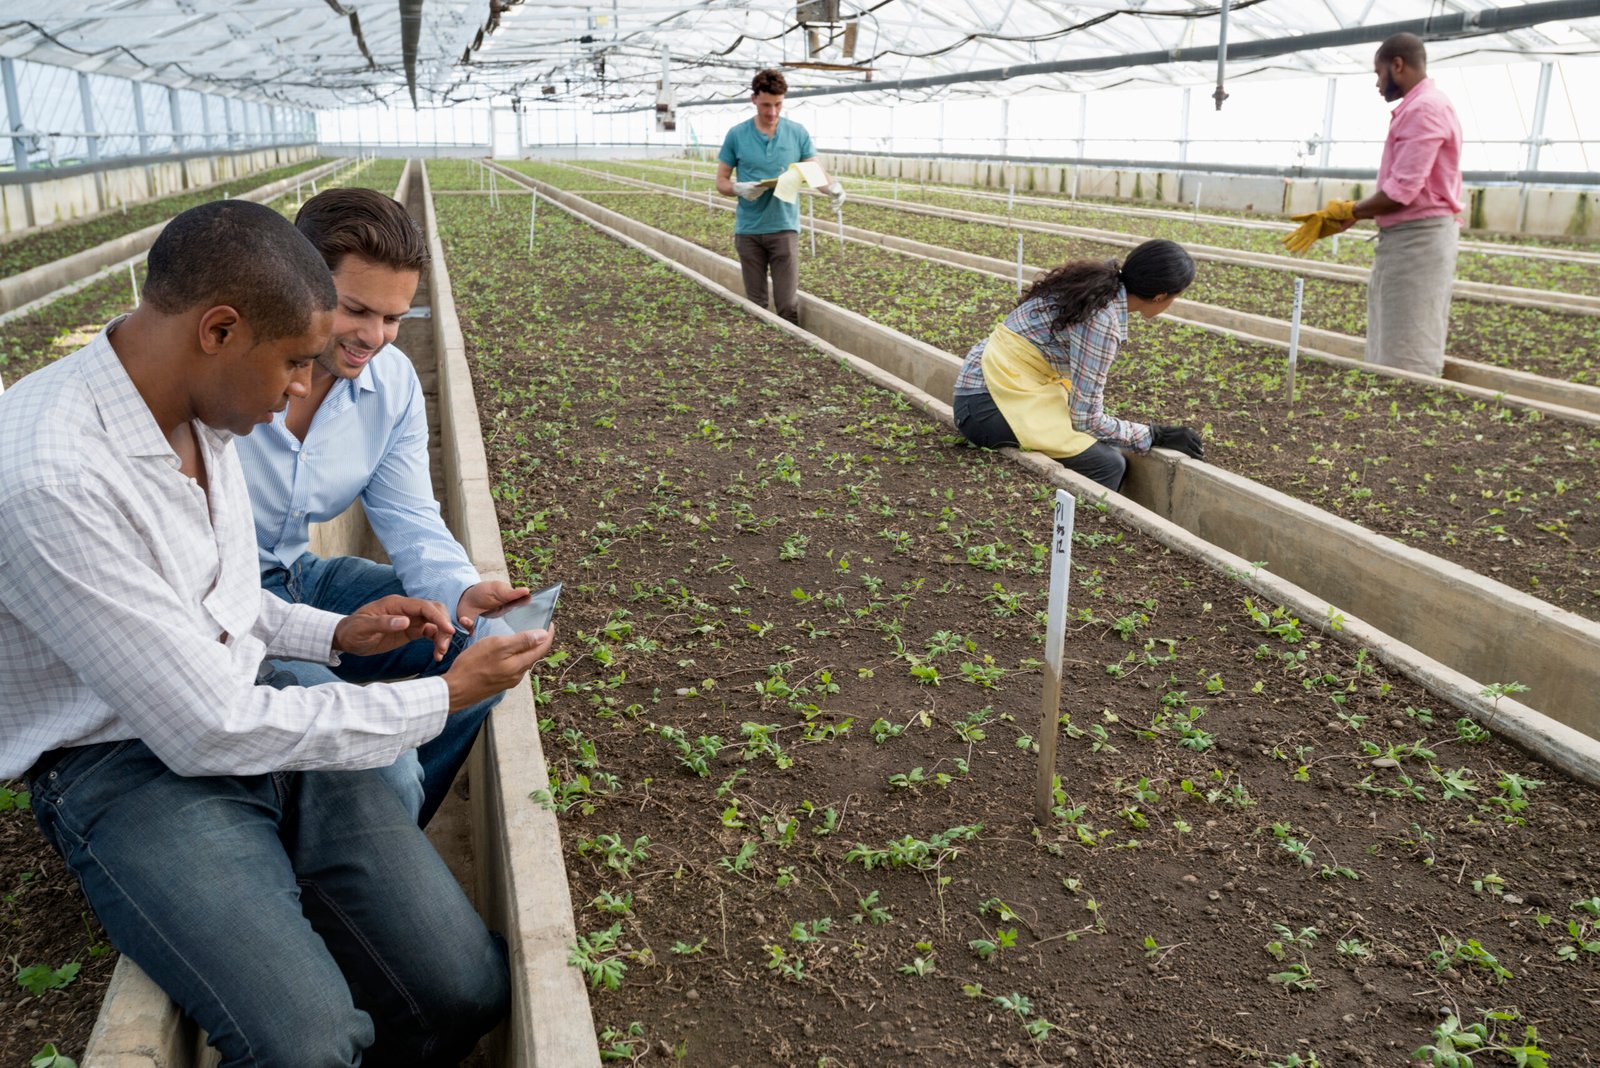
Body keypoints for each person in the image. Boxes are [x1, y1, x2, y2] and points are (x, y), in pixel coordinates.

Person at [0, 199, 551, 1066]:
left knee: (463, 989)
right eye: (297, 361)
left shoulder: (198, 403)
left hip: (256, 701)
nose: (306, 388)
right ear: (220, 329)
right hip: (126, 765)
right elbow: (207, 725)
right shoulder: (52, 478)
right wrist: (439, 695)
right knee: (308, 1044)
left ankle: (324, 924)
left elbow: (225, 599)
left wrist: (338, 638)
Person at [238, 186, 524, 827]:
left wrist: (460, 594)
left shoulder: (389, 382)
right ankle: (371, 831)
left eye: (394, 317)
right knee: (365, 750)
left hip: (302, 575)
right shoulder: (228, 377)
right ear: (297, 283)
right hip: (232, 601)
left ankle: (393, 835)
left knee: (481, 648)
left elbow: (410, 516)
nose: (375, 336)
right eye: (355, 309)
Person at [951, 238, 1204, 492]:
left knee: (1097, 441)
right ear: (1160, 297)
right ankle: (1080, 527)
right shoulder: (1102, 320)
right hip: (986, 405)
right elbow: (1086, 419)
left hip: (987, 384)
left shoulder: (1091, 285)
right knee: (1109, 464)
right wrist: (1154, 434)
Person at [1282, 32, 1462, 376]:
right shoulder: (1420, 107)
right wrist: (1352, 214)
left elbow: (1401, 192)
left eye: (1379, 73)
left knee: (1408, 343)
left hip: (1419, 240)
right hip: (1408, 237)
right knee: (1393, 327)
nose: (1378, 83)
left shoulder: (1425, 109)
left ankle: (1406, 410)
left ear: (1398, 65)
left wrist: (1350, 211)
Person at [714, 68, 844, 324]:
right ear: (753, 99)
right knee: (757, 305)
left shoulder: (797, 133)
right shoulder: (737, 135)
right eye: (765, 105)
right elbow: (721, 181)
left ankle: (791, 355)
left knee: (787, 305)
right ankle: (761, 357)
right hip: (748, 230)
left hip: (784, 228)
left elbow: (814, 172)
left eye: (778, 105)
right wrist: (738, 188)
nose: (772, 112)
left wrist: (832, 187)